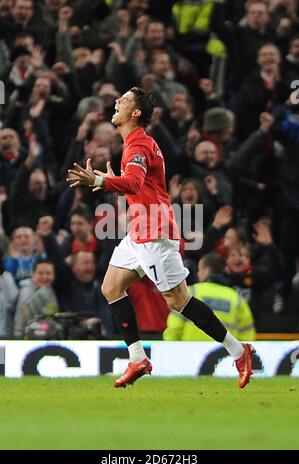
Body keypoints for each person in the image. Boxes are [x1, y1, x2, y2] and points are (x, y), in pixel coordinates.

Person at [67, 86, 255, 389]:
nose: (117, 102)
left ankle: (238, 350)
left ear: (136, 113)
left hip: (155, 232)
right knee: (111, 287)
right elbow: (135, 184)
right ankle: (138, 358)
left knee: (178, 300)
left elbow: (133, 181)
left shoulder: (139, 145)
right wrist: (112, 182)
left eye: (124, 100)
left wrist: (100, 180)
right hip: (139, 231)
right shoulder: (137, 144)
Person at [163, 253, 256, 341]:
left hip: (190, 354)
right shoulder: (237, 298)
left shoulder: (190, 292)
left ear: (207, 270)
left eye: (200, 270)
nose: (198, 274)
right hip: (224, 354)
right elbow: (247, 335)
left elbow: (174, 329)